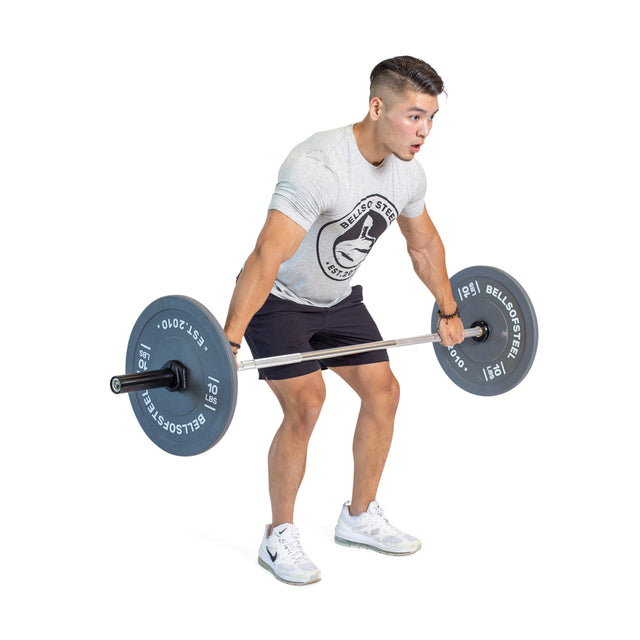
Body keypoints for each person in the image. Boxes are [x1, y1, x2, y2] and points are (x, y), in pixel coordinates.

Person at [223, 56, 465, 586]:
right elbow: (266, 255)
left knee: (385, 392)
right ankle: (277, 534)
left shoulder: (409, 172)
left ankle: (358, 516)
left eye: (431, 118)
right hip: (278, 297)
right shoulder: (319, 165)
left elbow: (422, 245)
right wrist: (229, 339)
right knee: (308, 403)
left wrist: (449, 310)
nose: (424, 131)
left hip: (337, 300)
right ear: (377, 107)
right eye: (414, 116)